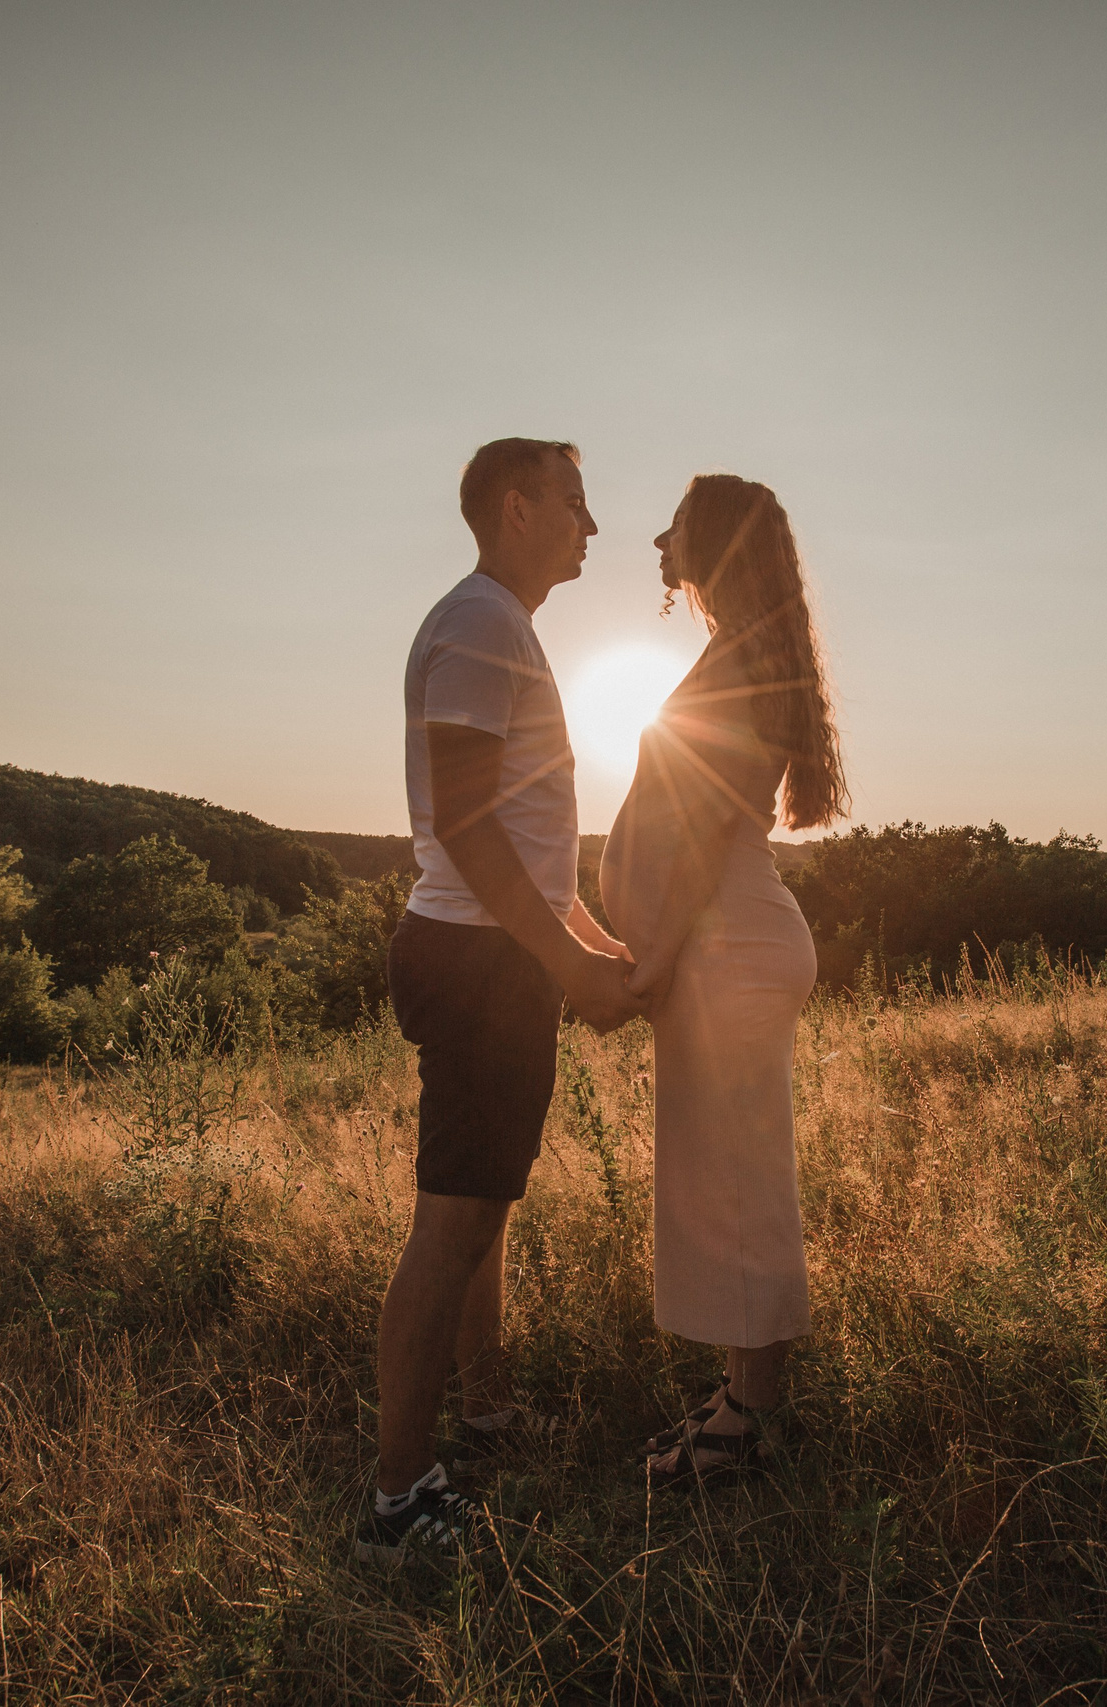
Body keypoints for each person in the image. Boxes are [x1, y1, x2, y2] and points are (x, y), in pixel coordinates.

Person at [355, 437, 644, 1564]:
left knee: (481, 1206)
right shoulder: (480, 624)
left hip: (489, 952)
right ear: (518, 508)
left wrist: (588, 938)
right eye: (577, 503)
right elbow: (472, 830)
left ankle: (484, 1415)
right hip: (479, 963)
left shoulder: (495, 624)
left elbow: (519, 845)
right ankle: (398, 1504)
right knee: (453, 1223)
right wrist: (566, 967)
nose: (593, 525)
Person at [600, 472, 848, 1485]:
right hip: (723, 946)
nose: (658, 538)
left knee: (742, 1188)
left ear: (719, 542)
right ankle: (740, 1392)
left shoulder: (747, 658)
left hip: (727, 946)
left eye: (678, 524)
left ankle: (747, 1419)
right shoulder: (741, 647)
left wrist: (650, 958)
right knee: (726, 1179)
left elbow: (704, 826)